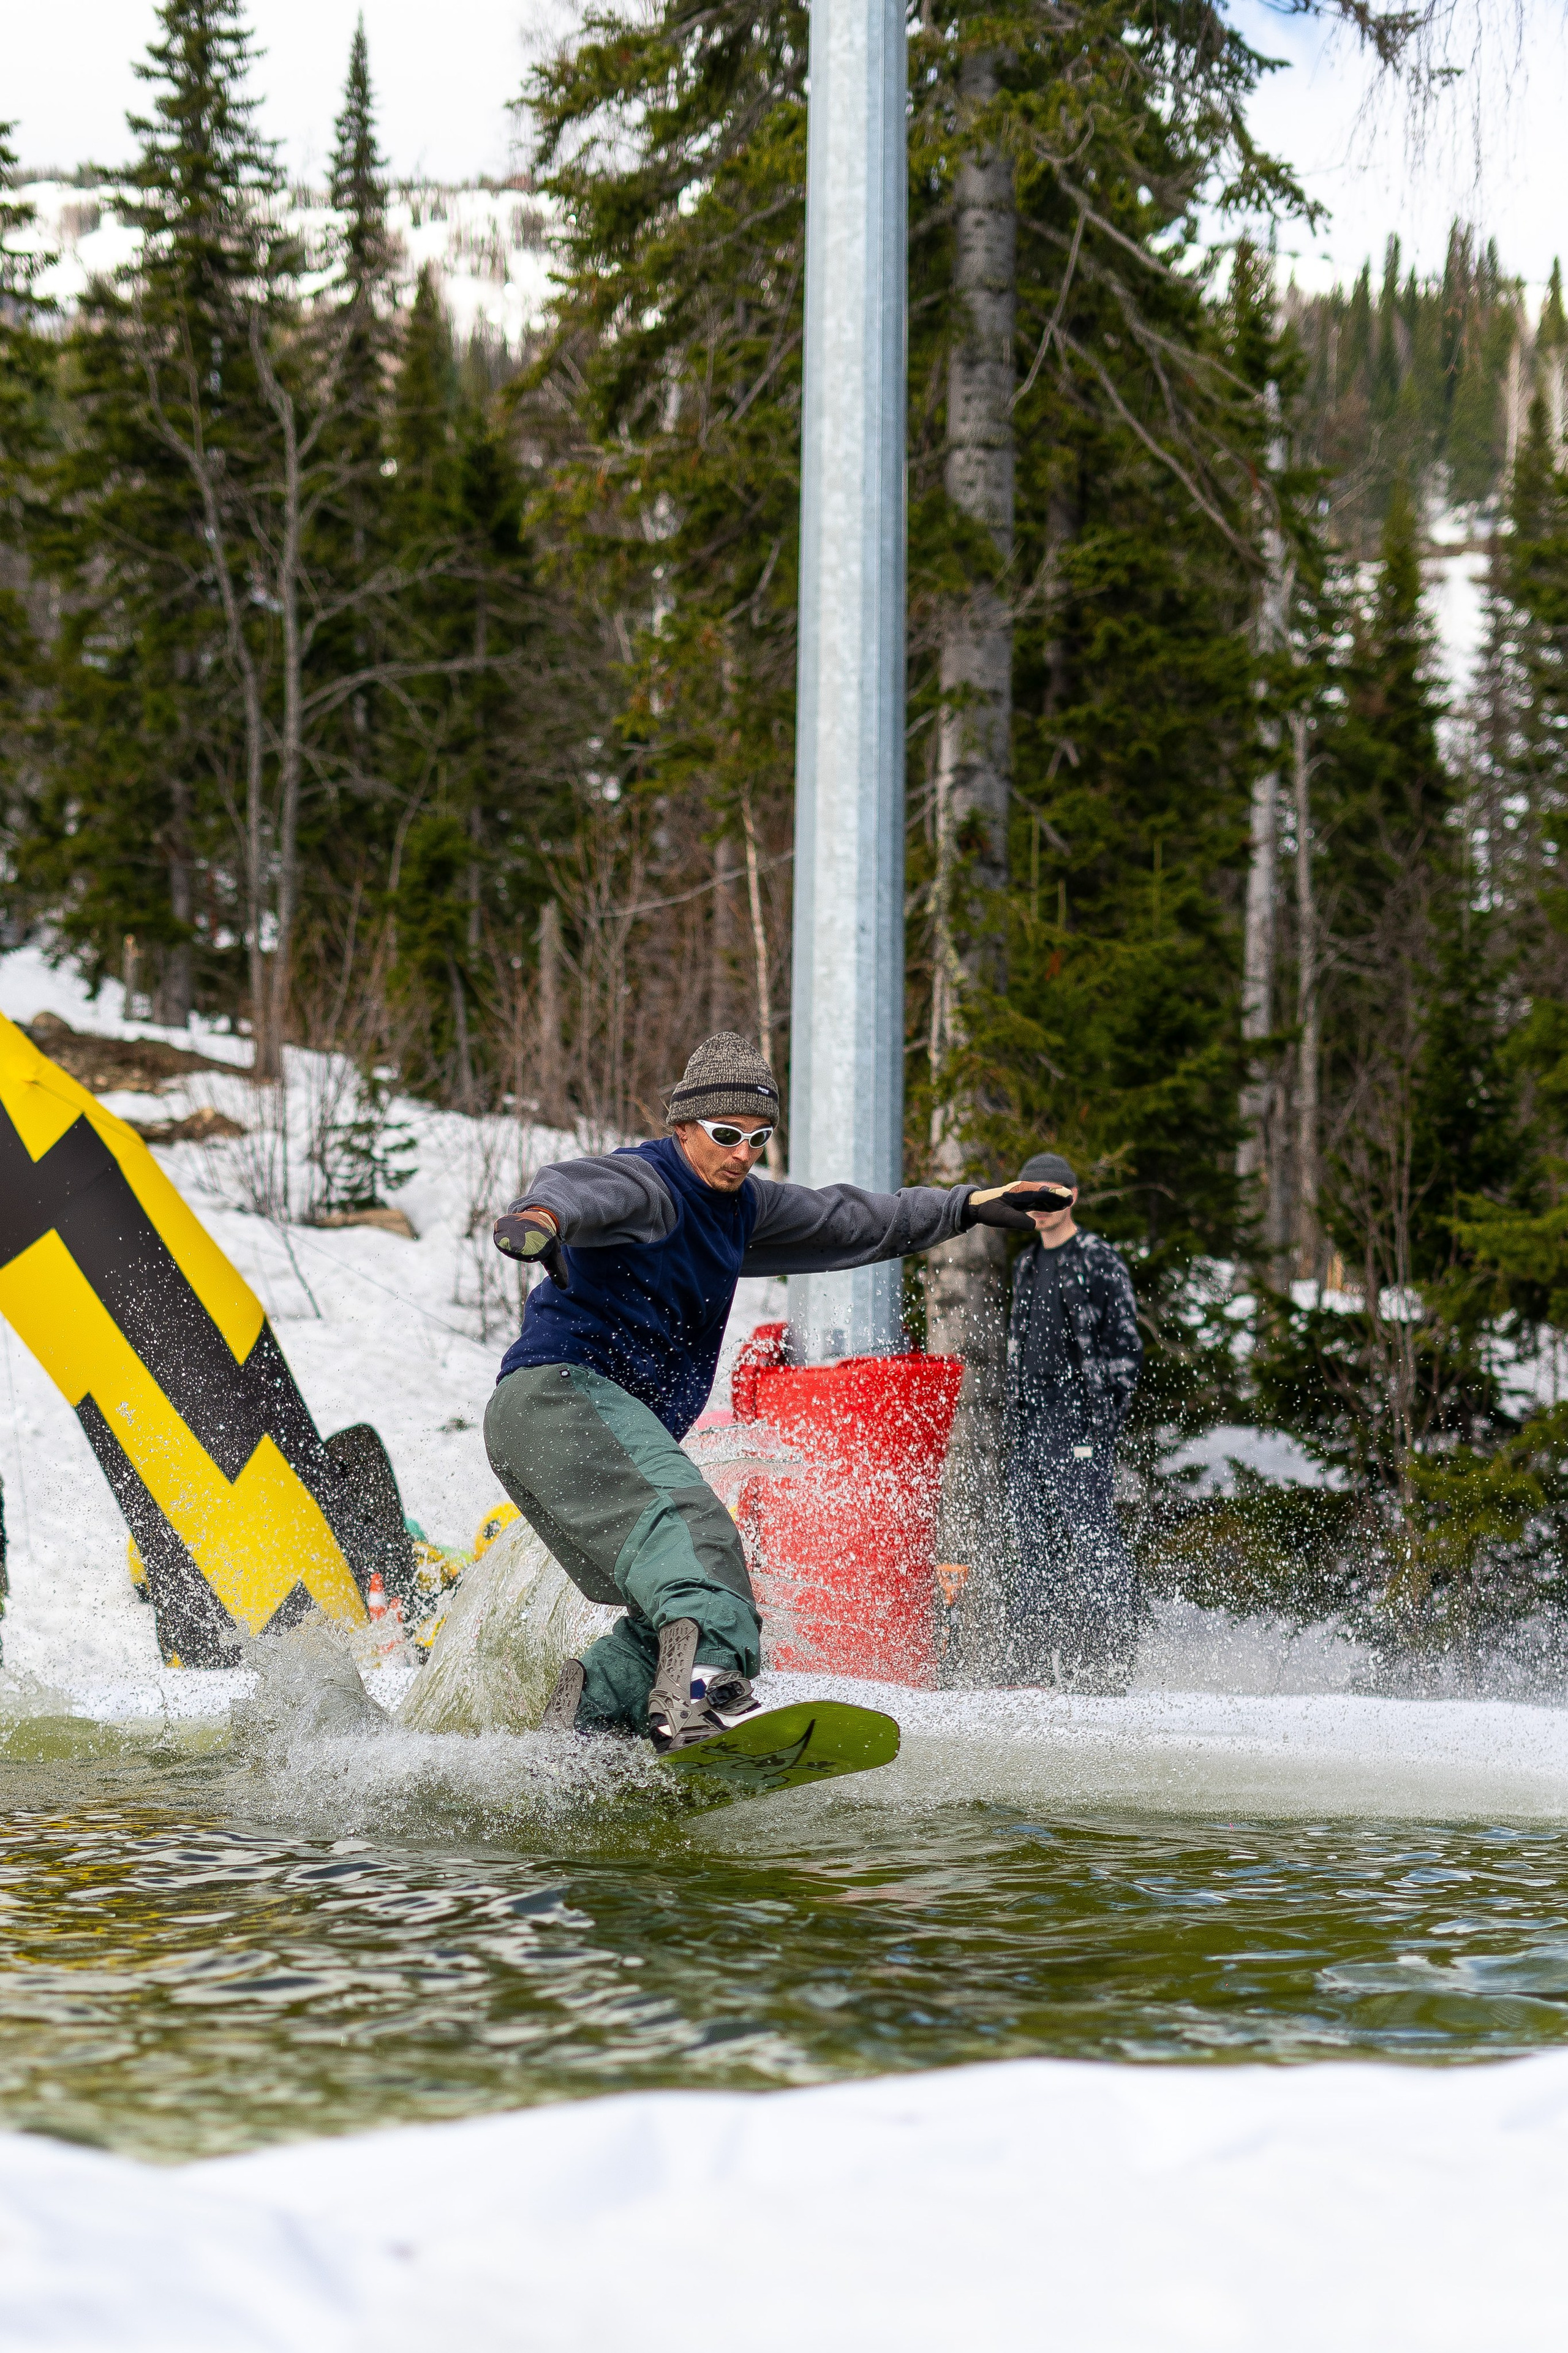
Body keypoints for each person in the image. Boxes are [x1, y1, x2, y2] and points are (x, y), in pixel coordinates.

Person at [485, 1032, 1054, 1750]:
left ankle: (582, 1734)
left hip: (556, 1425)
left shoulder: (741, 1209)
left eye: (759, 1138)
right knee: (702, 1540)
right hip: (562, 1399)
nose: (742, 1153)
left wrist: (966, 1206)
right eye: (726, 1135)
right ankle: (701, 1695)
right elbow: (579, 1185)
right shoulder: (650, 1186)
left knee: (669, 1604)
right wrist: (541, 1216)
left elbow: (851, 1219)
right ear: (682, 1126)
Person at [1001, 1150, 1144, 1693]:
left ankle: (1105, 1666)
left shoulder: (1099, 1259)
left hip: (1079, 1425)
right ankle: (1033, 1668)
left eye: (1051, 1194)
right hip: (1031, 1424)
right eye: (1032, 1196)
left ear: (1072, 1195)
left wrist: (1101, 1425)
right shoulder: (1025, 1263)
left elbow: (1126, 1348)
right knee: (1032, 1543)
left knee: (1092, 1540)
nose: (1040, 1207)